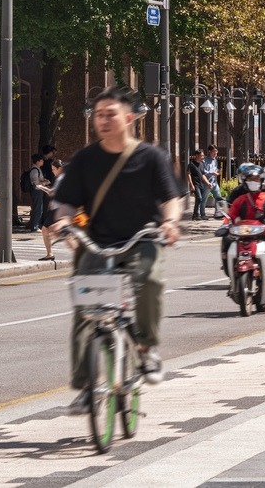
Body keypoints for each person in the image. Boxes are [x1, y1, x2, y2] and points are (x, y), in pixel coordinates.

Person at [49, 87, 182, 407]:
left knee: (149, 281)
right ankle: (86, 385)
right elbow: (66, 202)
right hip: (98, 243)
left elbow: (171, 199)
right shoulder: (85, 160)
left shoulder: (150, 157)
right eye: (99, 115)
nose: (104, 121)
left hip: (142, 239)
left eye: (111, 115)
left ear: (129, 118)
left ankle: (146, 348)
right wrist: (64, 221)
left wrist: (170, 222)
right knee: (87, 308)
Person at [221, 163, 265, 291]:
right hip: (242, 230)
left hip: (263, 231)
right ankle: (232, 274)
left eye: (256, 179)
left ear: (261, 180)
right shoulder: (240, 197)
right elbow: (230, 213)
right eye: (250, 179)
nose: (253, 182)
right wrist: (225, 225)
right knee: (227, 243)